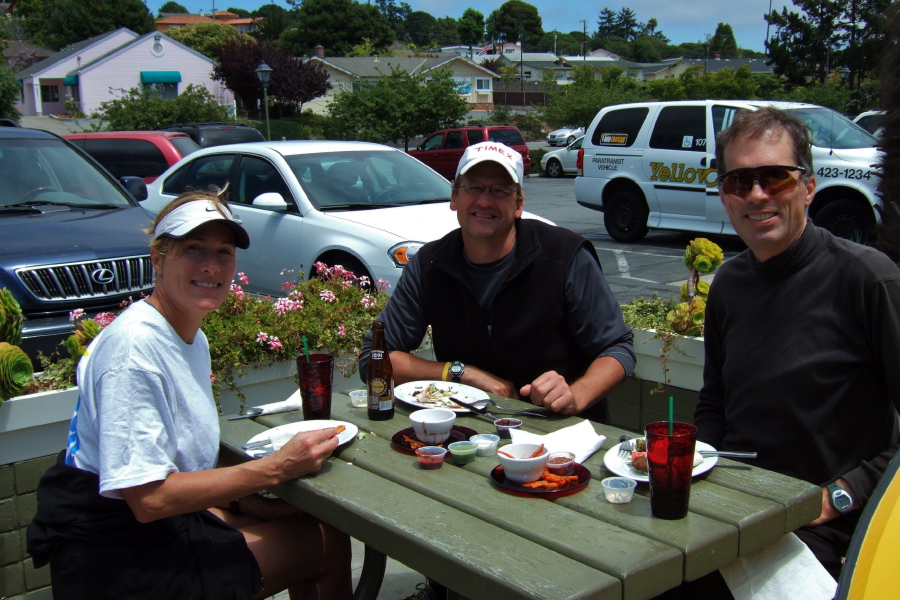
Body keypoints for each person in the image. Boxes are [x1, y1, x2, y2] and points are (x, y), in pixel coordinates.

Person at [27, 191, 353, 600]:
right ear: (158, 259)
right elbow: (149, 497)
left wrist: (246, 503)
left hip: (152, 529)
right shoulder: (134, 351)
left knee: (313, 521)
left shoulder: (188, 336)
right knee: (324, 541)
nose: (211, 266)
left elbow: (175, 458)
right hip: (117, 562)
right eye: (193, 249)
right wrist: (275, 470)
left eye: (224, 252)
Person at [694, 107, 900, 580]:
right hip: (730, 505)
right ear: (725, 196)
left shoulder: (869, 281)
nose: (756, 195)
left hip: (822, 526)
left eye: (776, 178)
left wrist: (841, 494)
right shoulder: (728, 284)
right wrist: (695, 463)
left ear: (808, 188)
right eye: (738, 182)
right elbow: (715, 400)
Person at [359, 141, 635, 422]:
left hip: (559, 431)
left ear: (518, 204)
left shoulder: (565, 256)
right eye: (474, 187)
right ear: (454, 197)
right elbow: (374, 358)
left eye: (500, 190)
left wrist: (576, 396)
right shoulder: (430, 264)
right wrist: (462, 372)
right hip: (469, 432)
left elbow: (617, 348)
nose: (485, 201)